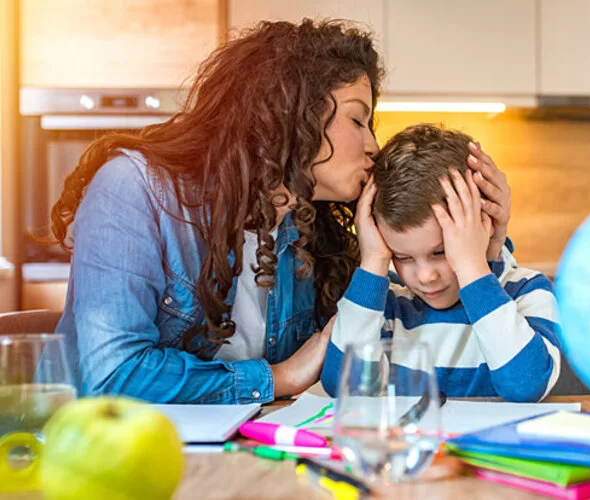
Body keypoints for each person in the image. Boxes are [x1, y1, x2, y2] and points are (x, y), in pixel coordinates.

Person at [48, 20, 512, 404]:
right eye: (357, 119)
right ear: (290, 113)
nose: (372, 144)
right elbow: (110, 375)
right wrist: (279, 377)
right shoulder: (134, 189)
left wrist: (489, 245)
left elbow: (437, 324)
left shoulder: (311, 225)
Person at [321, 124, 561, 402]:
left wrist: (471, 267)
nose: (425, 276)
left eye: (440, 252)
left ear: (484, 223)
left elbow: (527, 386)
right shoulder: (388, 302)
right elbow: (345, 387)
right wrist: (373, 260)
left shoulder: (527, 291)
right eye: (403, 257)